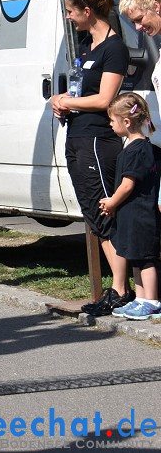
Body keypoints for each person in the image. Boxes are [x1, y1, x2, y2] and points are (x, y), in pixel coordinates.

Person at [50, 0, 131, 317]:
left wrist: (69, 102)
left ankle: (121, 290)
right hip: (78, 136)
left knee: (103, 210)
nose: (68, 17)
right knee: (91, 211)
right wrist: (61, 100)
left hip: (98, 139)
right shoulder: (87, 43)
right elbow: (80, 89)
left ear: (87, 11)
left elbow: (104, 99)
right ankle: (116, 289)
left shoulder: (114, 48)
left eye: (71, 11)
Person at [100, 93, 161, 320]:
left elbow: (128, 185)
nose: (110, 124)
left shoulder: (138, 150)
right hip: (131, 215)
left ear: (126, 122)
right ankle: (141, 299)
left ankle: (152, 301)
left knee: (145, 259)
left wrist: (112, 202)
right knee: (135, 256)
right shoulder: (135, 148)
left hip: (141, 215)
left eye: (112, 121)